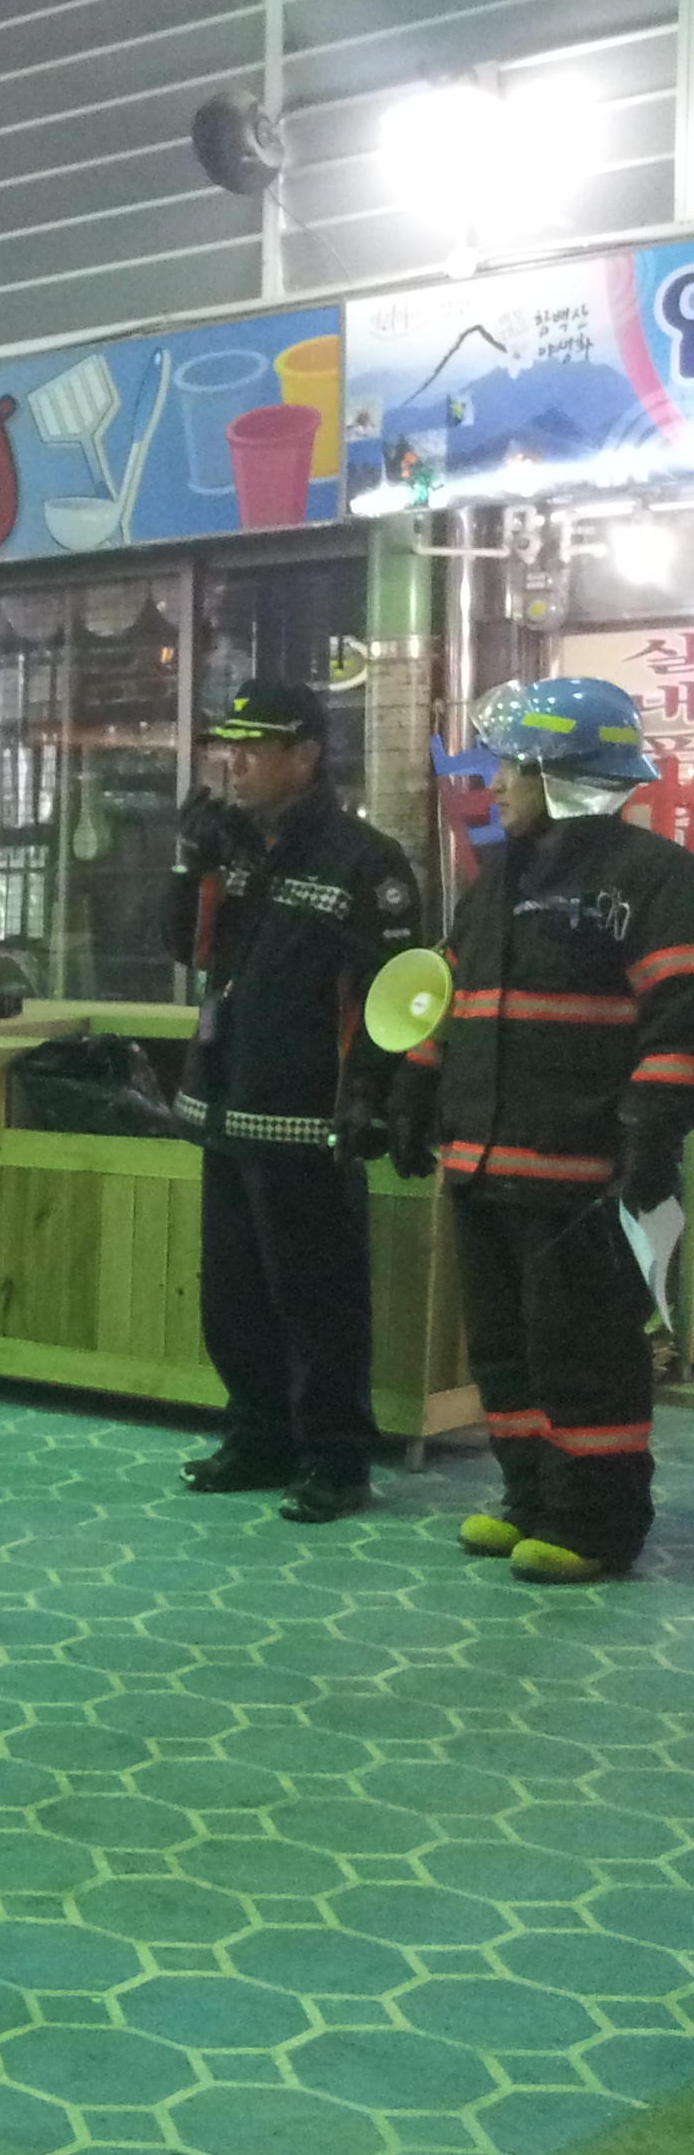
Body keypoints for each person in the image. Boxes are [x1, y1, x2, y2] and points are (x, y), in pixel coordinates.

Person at [388, 678, 694, 1584]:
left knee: (585, 1356)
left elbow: (680, 1017)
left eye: (515, 766)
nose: (496, 784)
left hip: (585, 1173)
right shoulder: (499, 881)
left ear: (568, 773)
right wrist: (414, 1083)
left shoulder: (655, 878)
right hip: (484, 1164)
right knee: (506, 1353)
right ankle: (530, 1499)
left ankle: (595, 1526)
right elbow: (447, 994)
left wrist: (651, 1130)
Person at [167, 681, 422, 1524]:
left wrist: (372, 1093)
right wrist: (191, 863)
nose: (233, 763)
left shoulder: (364, 860)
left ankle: (335, 1460)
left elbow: (393, 991)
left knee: (317, 1299)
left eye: (254, 748)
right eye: (227, 748)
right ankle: (259, 1437)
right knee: (232, 1297)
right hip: (226, 1106)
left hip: (309, 1117)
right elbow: (183, 946)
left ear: (307, 754)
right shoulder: (233, 847)